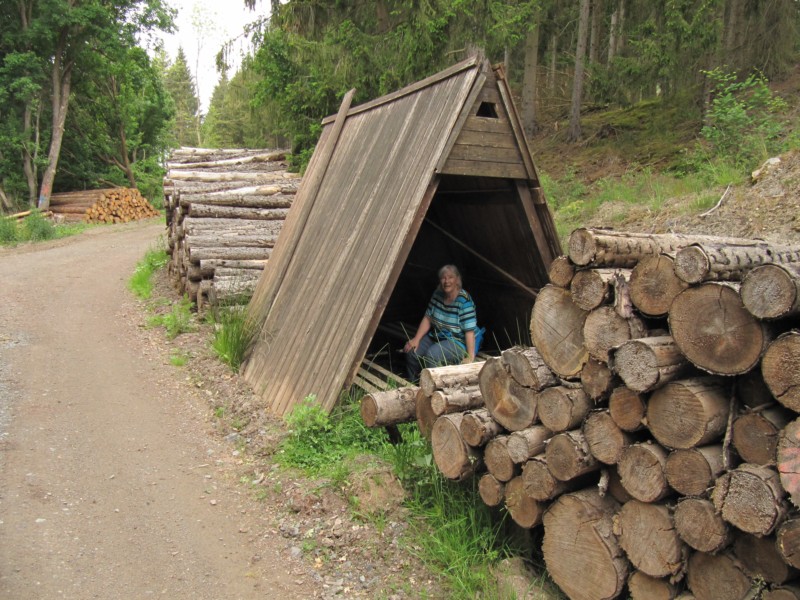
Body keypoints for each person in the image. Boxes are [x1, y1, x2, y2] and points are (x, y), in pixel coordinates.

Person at [404, 264, 478, 382]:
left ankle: (432, 388)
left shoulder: (464, 301)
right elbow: (428, 318)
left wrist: (470, 356)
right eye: (443, 278)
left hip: (456, 341)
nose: (446, 281)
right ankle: (413, 385)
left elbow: (469, 332)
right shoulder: (437, 294)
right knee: (411, 352)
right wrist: (416, 339)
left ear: (457, 280)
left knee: (432, 355)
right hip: (437, 335)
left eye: (450, 277)